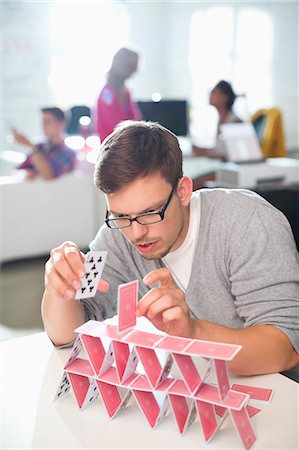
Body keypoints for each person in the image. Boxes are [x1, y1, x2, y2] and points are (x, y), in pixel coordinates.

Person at [42, 120, 299, 379]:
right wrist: (60, 288)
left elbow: (285, 349)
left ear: (184, 191)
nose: (136, 233)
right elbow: (67, 336)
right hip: (199, 386)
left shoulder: (247, 222)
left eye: (150, 212)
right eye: (121, 215)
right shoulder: (117, 234)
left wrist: (193, 333)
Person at [14, 107, 76, 180]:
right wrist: (26, 173)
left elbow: (49, 175)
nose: (43, 126)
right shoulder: (39, 146)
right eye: (42, 122)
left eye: (47, 122)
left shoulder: (67, 152)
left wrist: (31, 146)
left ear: (61, 123)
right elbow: (16, 170)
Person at [95, 47, 141, 142]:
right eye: (132, 67)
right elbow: (114, 126)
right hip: (113, 147)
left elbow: (136, 119)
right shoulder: (107, 93)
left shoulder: (126, 92)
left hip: (127, 144)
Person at [192, 80, 242, 160]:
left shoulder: (235, 123)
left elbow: (235, 155)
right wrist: (204, 151)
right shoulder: (221, 120)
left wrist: (206, 153)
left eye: (214, 92)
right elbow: (221, 149)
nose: (210, 94)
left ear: (224, 98)